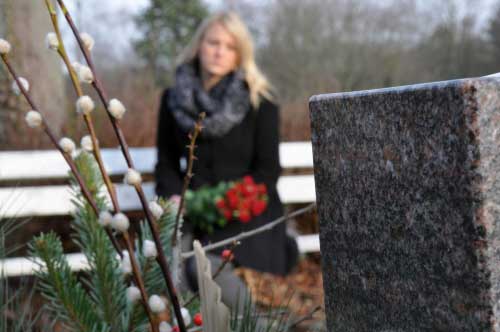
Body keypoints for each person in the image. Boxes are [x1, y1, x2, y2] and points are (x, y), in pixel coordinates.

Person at [154, 12, 298, 297]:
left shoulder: (260, 100)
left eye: (230, 47)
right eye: (213, 43)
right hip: (190, 210)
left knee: (203, 267)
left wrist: (224, 204)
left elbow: (267, 172)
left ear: (239, 54)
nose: (220, 52)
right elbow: (166, 163)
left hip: (247, 210)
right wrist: (175, 197)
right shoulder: (172, 99)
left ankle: (257, 328)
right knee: (172, 268)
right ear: (199, 45)